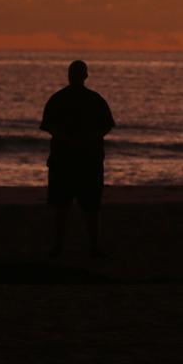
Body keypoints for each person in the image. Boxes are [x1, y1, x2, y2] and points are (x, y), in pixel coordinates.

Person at [39, 60, 115, 257]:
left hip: (66, 161)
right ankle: (93, 247)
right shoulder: (95, 100)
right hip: (85, 161)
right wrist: (88, 138)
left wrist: (69, 139)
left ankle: (59, 247)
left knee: (63, 206)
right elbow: (106, 126)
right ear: (86, 76)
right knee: (89, 207)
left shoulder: (58, 99)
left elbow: (48, 126)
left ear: (69, 75)